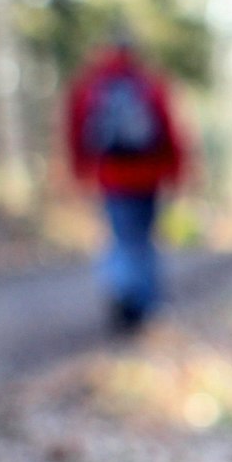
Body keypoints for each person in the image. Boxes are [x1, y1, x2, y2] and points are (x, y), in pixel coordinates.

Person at [64, 31, 190, 333]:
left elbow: (75, 129)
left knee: (120, 237)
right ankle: (144, 305)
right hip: (149, 176)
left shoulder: (92, 84)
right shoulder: (149, 83)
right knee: (143, 239)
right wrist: (176, 170)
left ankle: (124, 291)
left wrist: (80, 170)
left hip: (111, 176)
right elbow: (171, 130)